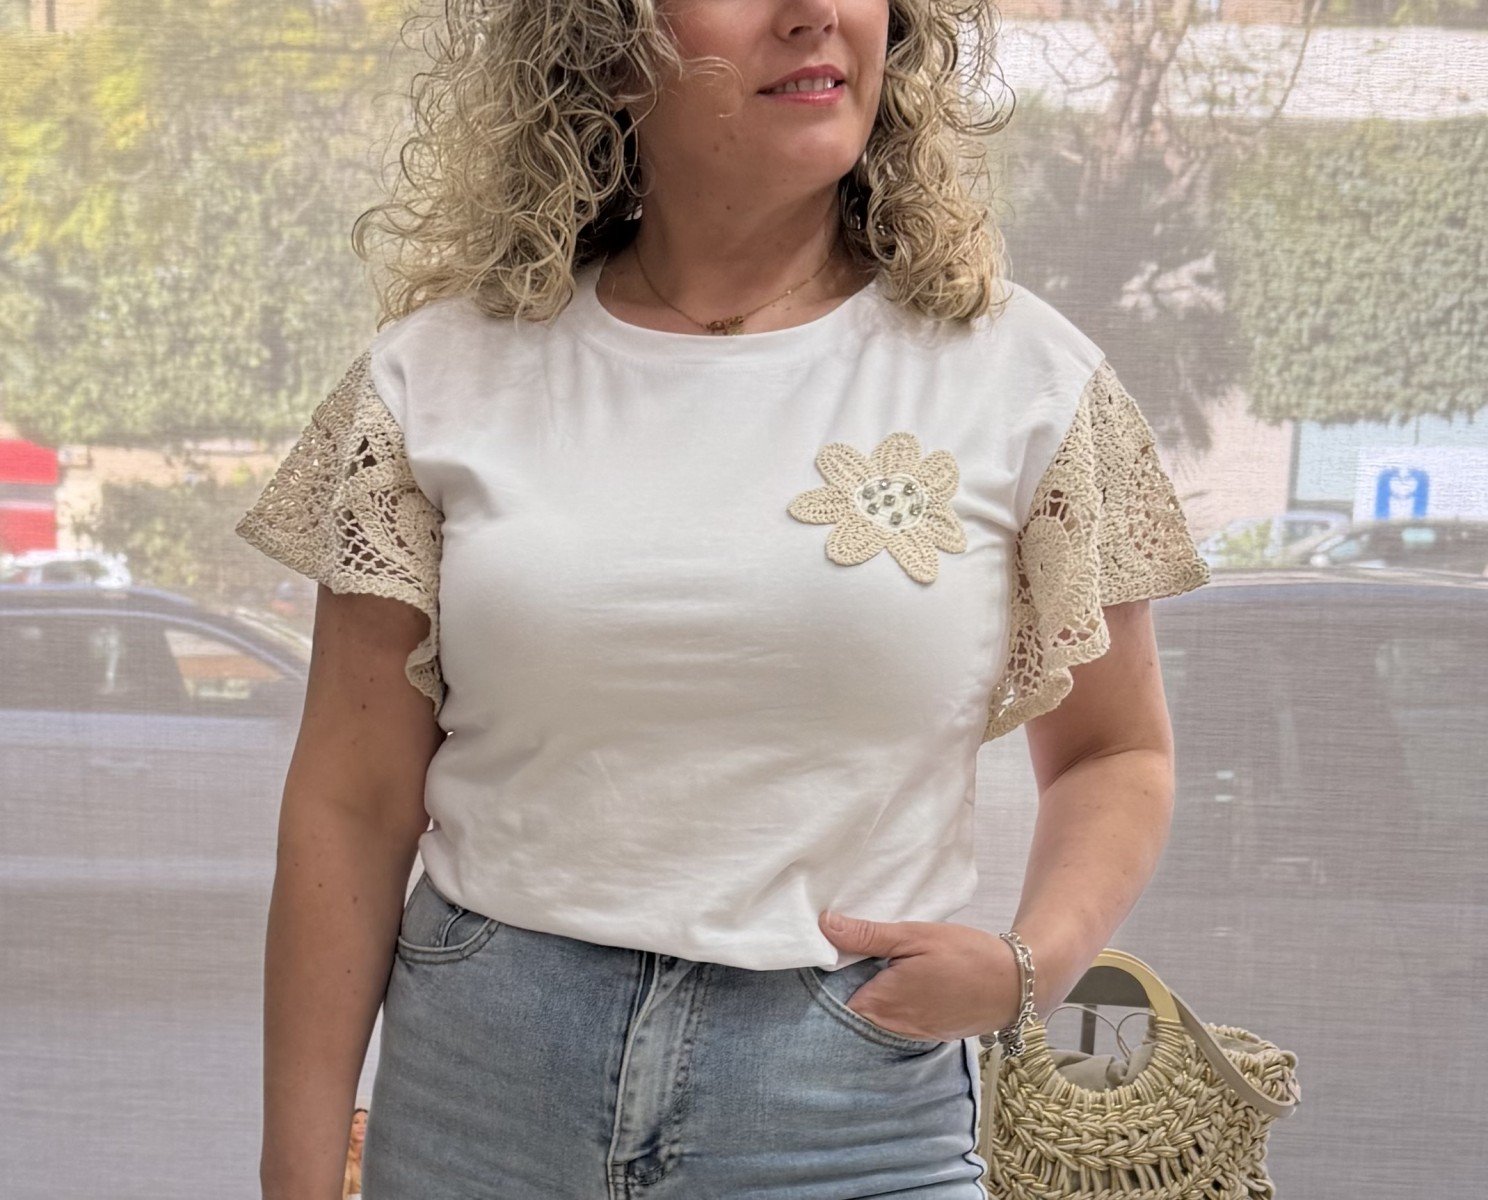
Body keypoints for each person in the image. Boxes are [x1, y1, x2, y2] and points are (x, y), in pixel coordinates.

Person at [236, 0, 1212, 1196]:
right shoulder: (434, 377)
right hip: (483, 1099)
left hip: (849, 1115)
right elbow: (351, 800)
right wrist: (296, 1175)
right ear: (604, 44)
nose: (817, 14)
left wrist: (1032, 965)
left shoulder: (1024, 381)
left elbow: (1116, 751)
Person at [342, 1102, 368, 1199]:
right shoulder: (341, 1159)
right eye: (356, 1122)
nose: (362, 1126)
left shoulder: (376, 1159)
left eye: (366, 1122)